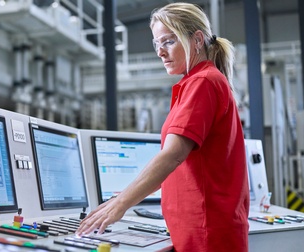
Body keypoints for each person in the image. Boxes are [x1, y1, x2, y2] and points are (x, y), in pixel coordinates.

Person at [76, 2, 249, 251]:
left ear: (197, 40)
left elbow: (172, 155)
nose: (160, 51)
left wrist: (122, 203)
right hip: (201, 228)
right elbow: (174, 164)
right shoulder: (198, 82)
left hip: (206, 232)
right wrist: (121, 198)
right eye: (157, 43)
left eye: (168, 41)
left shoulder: (203, 82)